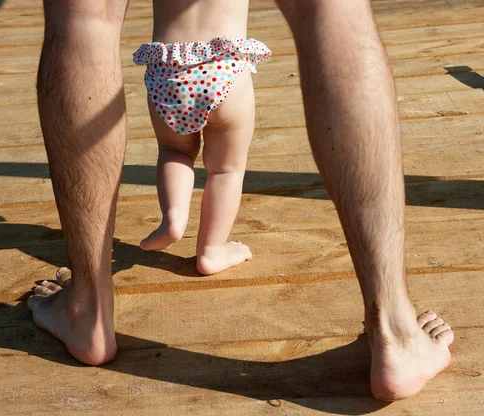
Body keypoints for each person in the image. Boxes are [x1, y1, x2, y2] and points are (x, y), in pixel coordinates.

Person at [28, 0, 454, 401]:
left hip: (166, 73)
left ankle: (123, 273)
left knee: (87, 19)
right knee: (326, 13)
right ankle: (392, 334)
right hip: (224, 72)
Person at [133, 6, 271, 275]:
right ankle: (211, 250)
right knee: (226, 170)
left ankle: (173, 219)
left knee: (175, 151)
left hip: (167, 73)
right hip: (225, 66)